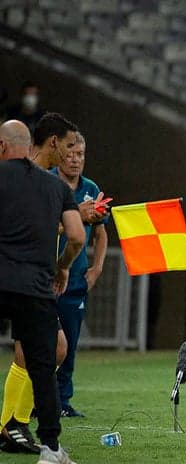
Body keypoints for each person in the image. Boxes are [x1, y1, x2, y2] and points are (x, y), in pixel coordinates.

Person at [0, 119, 84, 464]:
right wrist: (62, 266)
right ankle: (50, 448)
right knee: (44, 362)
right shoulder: (56, 187)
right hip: (35, 287)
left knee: (55, 350)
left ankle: (12, 425)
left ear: (3, 147)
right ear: (50, 143)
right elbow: (77, 236)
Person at [52, 132, 108, 418]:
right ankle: (38, 399)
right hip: (45, 277)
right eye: (70, 154)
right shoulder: (46, 182)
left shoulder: (91, 188)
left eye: (80, 155)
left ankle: (62, 400)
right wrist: (77, 217)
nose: (75, 160)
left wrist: (96, 268)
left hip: (74, 280)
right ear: (58, 152)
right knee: (43, 343)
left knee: (70, 343)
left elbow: (101, 233)